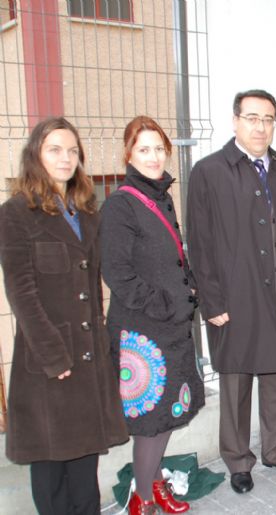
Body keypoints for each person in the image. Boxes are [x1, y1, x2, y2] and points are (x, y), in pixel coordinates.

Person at [0, 117, 128, 514]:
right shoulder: (15, 214)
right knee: (52, 465)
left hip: (88, 359)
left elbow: (93, 288)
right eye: (55, 149)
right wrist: (54, 357)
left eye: (72, 150)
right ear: (36, 155)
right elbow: (22, 295)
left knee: (84, 466)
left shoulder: (87, 211)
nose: (66, 158)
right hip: (48, 363)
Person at [187, 90, 276, 494]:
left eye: (268, 119)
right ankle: (238, 461)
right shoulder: (209, 171)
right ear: (235, 120)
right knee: (236, 383)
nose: (260, 126)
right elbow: (199, 243)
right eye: (252, 117)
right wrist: (211, 301)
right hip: (234, 298)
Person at [101, 116, 205, 514]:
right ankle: (141, 500)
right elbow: (118, 275)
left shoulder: (162, 197)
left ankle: (154, 483)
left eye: (159, 148)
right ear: (129, 155)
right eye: (144, 149)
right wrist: (168, 304)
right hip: (142, 333)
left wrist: (190, 287)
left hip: (171, 327)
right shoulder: (120, 205)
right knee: (151, 421)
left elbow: (174, 255)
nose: (154, 156)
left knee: (166, 414)